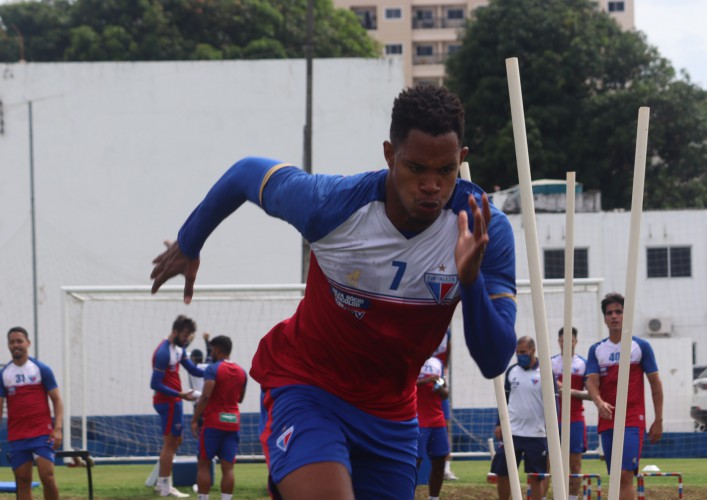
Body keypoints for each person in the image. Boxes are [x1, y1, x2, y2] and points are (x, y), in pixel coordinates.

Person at [150, 84, 518, 499]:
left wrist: (470, 282)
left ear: (461, 160)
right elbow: (246, 173)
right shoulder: (331, 206)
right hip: (310, 389)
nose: (431, 185)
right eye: (416, 169)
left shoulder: (484, 229)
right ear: (389, 155)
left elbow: (493, 360)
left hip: (392, 416)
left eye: (445, 171)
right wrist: (189, 242)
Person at [585, 293, 664, 499]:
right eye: (610, 313)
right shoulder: (596, 350)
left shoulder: (640, 347)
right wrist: (599, 402)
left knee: (625, 474)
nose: (614, 316)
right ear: (604, 318)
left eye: (618, 312)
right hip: (607, 419)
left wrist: (658, 419)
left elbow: (655, 384)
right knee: (615, 477)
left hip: (632, 418)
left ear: (625, 315)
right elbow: (591, 382)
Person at [0, 326, 63, 500]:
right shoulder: (4, 374)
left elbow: (57, 400)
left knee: (47, 476)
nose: (16, 345)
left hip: (41, 433)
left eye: (19, 341)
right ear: (8, 346)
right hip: (17, 436)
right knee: (23, 481)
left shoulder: (41, 369)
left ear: (28, 343)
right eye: (12, 342)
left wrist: (57, 428)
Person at [151, 315, 206, 498]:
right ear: (175, 332)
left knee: (176, 441)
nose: (187, 339)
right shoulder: (163, 352)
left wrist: (216, 369)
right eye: (185, 335)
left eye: (189, 336)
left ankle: (161, 481)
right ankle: (166, 486)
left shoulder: (178, 350)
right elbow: (155, 384)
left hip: (175, 401)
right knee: (170, 443)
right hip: (168, 402)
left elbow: (194, 370)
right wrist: (180, 395)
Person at [490, 336, 548, 500]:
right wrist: (498, 423)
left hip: (537, 434)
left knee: (536, 477)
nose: (519, 355)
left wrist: (553, 431)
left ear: (533, 350)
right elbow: (504, 400)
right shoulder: (511, 371)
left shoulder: (544, 371)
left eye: (523, 352)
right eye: (517, 352)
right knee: (502, 473)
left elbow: (553, 405)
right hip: (512, 432)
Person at [191, 335, 248, 500]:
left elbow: (207, 396)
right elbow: (240, 399)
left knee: (204, 463)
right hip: (232, 422)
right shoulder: (242, 372)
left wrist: (195, 419)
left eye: (212, 350)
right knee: (228, 468)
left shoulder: (213, 369)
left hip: (213, 422)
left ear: (217, 350)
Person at [551, 326, 591, 500]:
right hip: (552, 419)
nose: (566, 343)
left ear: (576, 341)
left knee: (575, 464)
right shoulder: (550, 363)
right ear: (559, 341)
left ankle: (572, 498)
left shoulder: (583, 364)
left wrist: (570, 391)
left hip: (575, 419)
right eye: (562, 340)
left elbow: (592, 393)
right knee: (548, 463)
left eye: (570, 340)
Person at [415, 356, 450, 500]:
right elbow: (404, 383)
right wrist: (428, 380)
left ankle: (433, 498)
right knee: (415, 460)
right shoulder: (412, 358)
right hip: (417, 417)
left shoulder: (437, 363)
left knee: (440, 460)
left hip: (437, 419)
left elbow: (445, 393)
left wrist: (440, 388)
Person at [432, 329, 458, 481]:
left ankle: (446, 468)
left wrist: (443, 375)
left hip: (438, 381)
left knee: (445, 423)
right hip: (418, 381)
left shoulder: (446, 332)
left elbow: (447, 353)